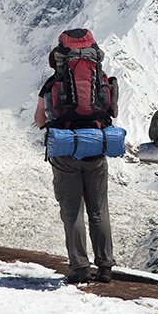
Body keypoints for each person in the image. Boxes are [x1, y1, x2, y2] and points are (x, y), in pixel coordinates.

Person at [34, 37, 116, 285]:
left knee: (73, 212)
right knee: (99, 210)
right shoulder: (101, 80)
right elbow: (112, 111)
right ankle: (105, 267)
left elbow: (39, 120)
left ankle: (80, 268)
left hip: (65, 152)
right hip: (95, 149)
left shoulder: (52, 84)